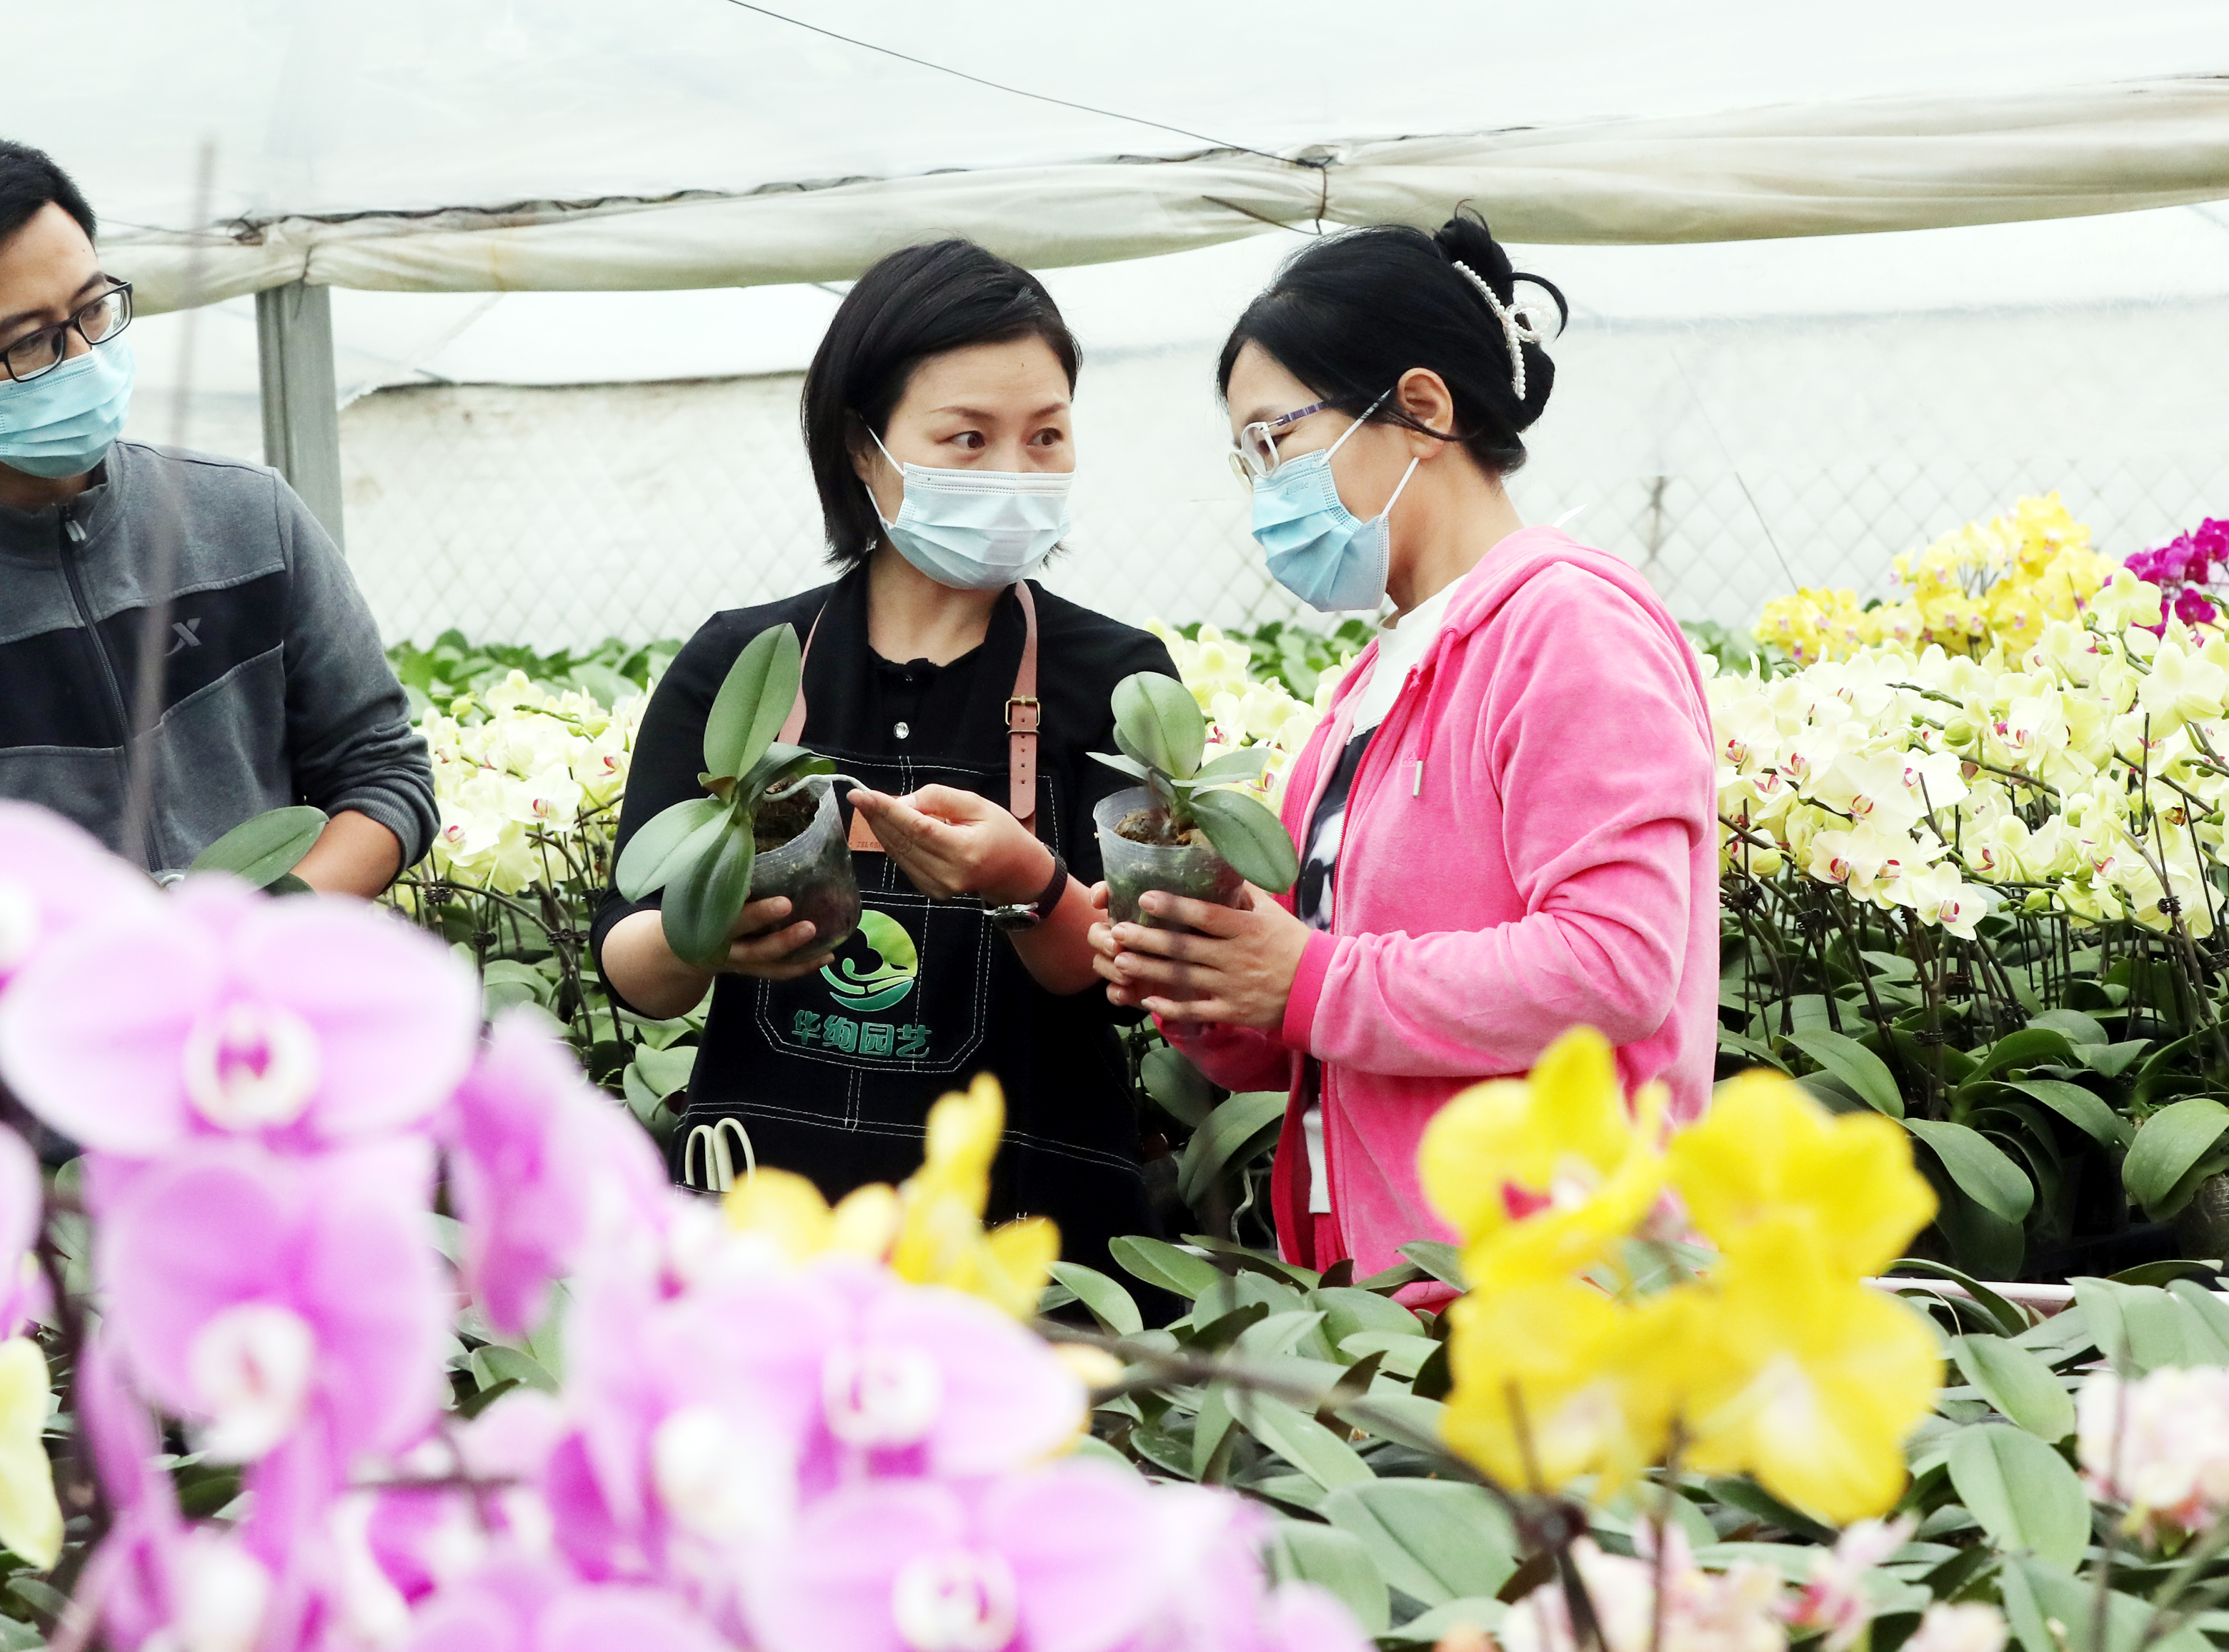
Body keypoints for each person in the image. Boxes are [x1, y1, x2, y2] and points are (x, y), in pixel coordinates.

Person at [1089, 213, 1717, 1273]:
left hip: (1556, 1285)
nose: (1265, 492)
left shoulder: (1565, 626)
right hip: (1384, 1285)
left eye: (1276, 441)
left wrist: (1307, 980)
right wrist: (1205, 979)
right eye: (1247, 460)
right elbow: (1312, 1027)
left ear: (1420, 409)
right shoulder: (1366, 688)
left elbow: (1614, 965)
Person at [0, 131, 435, 1035]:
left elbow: (383, 772)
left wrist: (257, 932)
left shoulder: (248, 520)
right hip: (49, 1104)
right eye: (30, 344)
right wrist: (12, 965)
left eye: (92, 310)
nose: (81, 357)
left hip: (275, 1053)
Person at [595, 239, 1178, 1271]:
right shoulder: (743, 666)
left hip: (1028, 1253)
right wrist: (702, 936)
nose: (1013, 472)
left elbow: (1139, 972)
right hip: (770, 1241)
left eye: (1045, 436)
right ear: (861, 448)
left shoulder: (1121, 681)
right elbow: (636, 967)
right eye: (967, 438)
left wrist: (1031, 884)